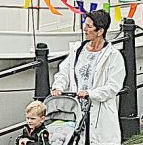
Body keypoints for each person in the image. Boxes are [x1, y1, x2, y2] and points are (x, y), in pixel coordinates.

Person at [51, 10, 126, 145]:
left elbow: (113, 87)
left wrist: (90, 94)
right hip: (77, 109)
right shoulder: (77, 51)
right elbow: (65, 71)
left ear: (100, 31)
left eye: (89, 26)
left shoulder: (113, 56)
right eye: (85, 24)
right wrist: (58, 86)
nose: (84, 29)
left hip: (99, 112)